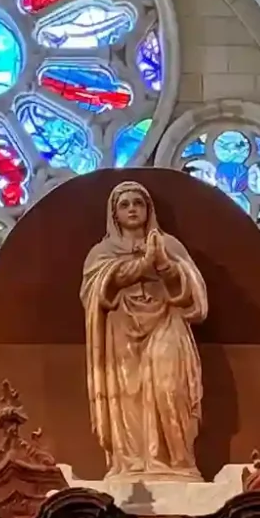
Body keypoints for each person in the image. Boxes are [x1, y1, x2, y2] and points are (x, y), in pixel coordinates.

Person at [80, 182, 208, 476]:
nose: (132, 209)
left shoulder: (169, 245)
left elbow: (194, 291)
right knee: (129, 395)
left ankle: (178, 460)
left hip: (166, 319)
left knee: (169, 387)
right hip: (121, 328)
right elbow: (93, 292)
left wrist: (164, 265)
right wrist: (141, 265)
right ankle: (134, 462)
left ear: (148, 209)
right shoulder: (102, 252)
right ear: (114, 214)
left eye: (138, 203)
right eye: (124, 205)